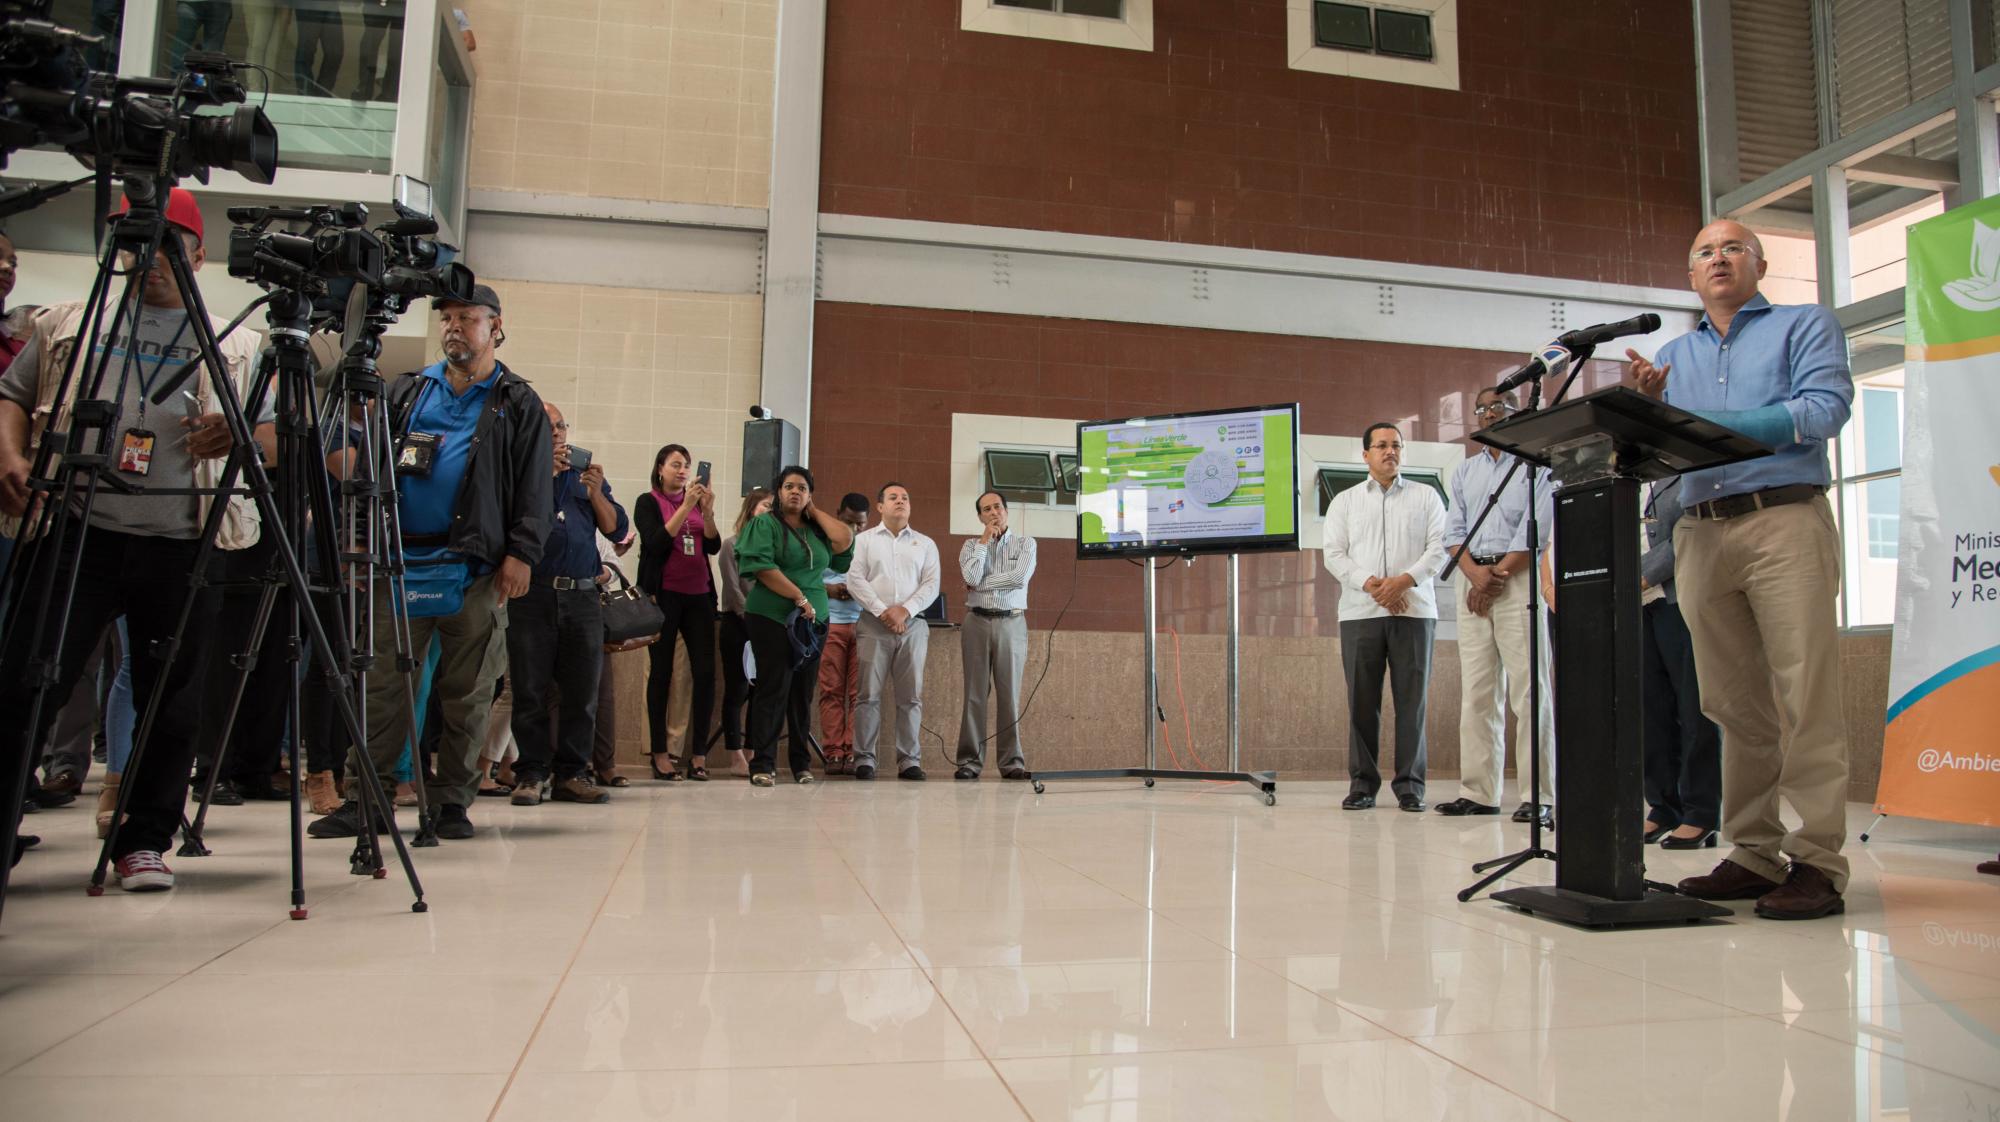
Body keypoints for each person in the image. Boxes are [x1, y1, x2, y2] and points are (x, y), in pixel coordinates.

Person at [0, 187, 274, 888]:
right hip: (76, 530)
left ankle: (143, 839)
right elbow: (10, 395)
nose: (149, 260)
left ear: (199, 254)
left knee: (171, 699)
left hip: (183, 541)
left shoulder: (236, 343)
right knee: (30, 682)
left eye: (168, 247)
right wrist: (10, 453)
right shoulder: (70, 321)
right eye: (134, 244)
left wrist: (239, 437)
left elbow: (272, 436)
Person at [1630, 219, 1853, 921]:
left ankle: (1817, 860)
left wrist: (1719, 430)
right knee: (1730, 703)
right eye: (1703, 252)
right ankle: (1754, 851)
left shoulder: (1803, 325)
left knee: (1803, 693)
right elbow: (1659, 457)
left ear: (1758, 263)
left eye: (1731, 248)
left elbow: (1825, 409)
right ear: (1690, 276)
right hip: (1700, 533)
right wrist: (1653, 412)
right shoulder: (1672, 355)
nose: (1718, 258)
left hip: (1782, 517)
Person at [310, 283, 552, 842]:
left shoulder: (518, 403)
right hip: (400, 561)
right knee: (382, 685)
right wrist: (361, 544)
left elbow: (535, 490)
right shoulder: (408, 393)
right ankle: (364, 797)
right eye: (446, 318)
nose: (453, 328)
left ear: (496, 327)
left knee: (467, 692)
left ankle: (451, 803)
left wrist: (521, 555)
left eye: (467, 318)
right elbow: (367, 471)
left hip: (477, 568)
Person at [1438, 386, 1555, 824]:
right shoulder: (1465, 472)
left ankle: (1539, 796)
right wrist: (1474, 575)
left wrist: (1494, 578)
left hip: (1517, 580)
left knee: (1530, 691)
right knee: (1478, 693)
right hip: (1473, 581)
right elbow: (1454, 532)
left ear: (1517, 411)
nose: (1488, 414)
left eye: (1497, 407)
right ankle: (1479, 792)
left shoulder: (1536, 465)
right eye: (1482, 408)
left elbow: (1536, 528)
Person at [506, 402, 626, 807]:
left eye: (561, 426)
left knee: (581, 690)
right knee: (530, 688)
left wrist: (595, 494)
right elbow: (509, 522)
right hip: (532, 593)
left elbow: (616, 527)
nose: (557, 433)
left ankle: (573, 773)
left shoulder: (584, 476)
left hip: (582, 596)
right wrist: (545, 477)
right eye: (547, 426)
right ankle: (531, 773)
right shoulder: (519, 470)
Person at [1322, 423, 1447, 812]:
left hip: (1414, 612)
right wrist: (1375, 586)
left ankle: (1410, 786)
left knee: (1413, 703)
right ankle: (1362, 785)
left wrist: (1403, 583)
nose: (1389, 451)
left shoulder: (1427, 497)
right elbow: (1334, 554)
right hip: (1360, 613)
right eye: (1381, 445)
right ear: (1365, 455)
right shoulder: (1344, 502)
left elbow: (1438, 548)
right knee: (1362, 702)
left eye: (1396, 445)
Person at [734, 466, 854, 786]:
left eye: (802, 488)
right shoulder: (764, 524)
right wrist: (799, 597)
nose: (795, 492)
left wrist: (813, 510)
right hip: (772, 616)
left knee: (802, 693)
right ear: (778, 492)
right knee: (773, 689)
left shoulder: (817, 530)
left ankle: (801, 763)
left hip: (814, 621)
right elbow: (762, 567)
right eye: (789, 487)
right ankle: (763, 763)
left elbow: (845, 539)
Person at [1631, 476, 1723, 849]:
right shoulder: (1627, 476)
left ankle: (1701, 812)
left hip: (1676, 596)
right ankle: (1663, 806)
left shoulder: (1684, 471)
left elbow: (1689, 532)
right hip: (1637, 603)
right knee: (1651, 709)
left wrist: (1640, 574)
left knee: (1693, 707)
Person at [636, 443, 720, 780]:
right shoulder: (648, 502)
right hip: (664, 595)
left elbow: (711, 545)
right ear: (660, 469)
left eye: (686, 465)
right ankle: (659, 752)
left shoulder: (698, 502)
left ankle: (698, 754)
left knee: (704, 674)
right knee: (661, 673)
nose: (683, 470)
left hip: (699, 596)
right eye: (675, 464)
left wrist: (708, 511)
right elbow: (655, 542)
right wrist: (685, 507)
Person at [847, 482, 940, 782]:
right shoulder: (863, 540)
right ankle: (864, 760)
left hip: (913, 625)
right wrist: (883, 611)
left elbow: (931, 585)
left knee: (911, 697)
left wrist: (905, 610)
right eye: (893, 497)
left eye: (905, 498)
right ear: (880, 507)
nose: (900, 501)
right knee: (868, 695)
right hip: (874, 624)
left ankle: (909, 760)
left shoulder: (925, 544)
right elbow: (854, 580)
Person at [956, 490, 1037, 780]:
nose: (994, 513)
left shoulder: (1026, 543)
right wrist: (983, 544)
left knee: (1009, 695)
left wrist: (980, 584)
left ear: (1006, 510)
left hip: (1011, 623)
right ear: (980, 516)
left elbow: (1018, 579)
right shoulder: (970, 545)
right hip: (976, 623)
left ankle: (1012, 762)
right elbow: (969, 578)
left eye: (998, 507)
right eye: (986, 509)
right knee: (974, 696)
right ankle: (969, 762)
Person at [716, 488, 771, 777]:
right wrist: (750, 615)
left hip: (766, 624)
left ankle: (752, 751)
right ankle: (735, 754)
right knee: (736, 690)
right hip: (737, 623)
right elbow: (734, 589)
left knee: (760, 691)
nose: (770, 511)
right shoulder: (732, 544)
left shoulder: (773, 547)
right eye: (766, 505)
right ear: (751, 508)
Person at [817, 492, 871, 774]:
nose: (855, 529)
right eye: (849, 522)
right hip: (831, 622)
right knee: (830, 691)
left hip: (863, 625)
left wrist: (858, 591)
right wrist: (830, 589)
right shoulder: (823, 541)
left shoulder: (871, 545)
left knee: (858, 693)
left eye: (860, 524)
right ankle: (834, 752)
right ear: (838, 514)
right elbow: (807, 577)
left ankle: (853, 751)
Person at [591, 526, 637, 787]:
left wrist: (598, 573)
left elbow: (611, 563)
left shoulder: (594, 524)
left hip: (593, 609)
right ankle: (569, 764)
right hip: (551, 606)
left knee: (603, 693)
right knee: (557, 695)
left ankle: (605, 764)